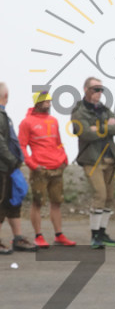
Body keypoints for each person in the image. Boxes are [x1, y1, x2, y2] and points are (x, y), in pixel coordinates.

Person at [18, 91, 76, 247]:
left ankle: (59, 235)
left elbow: (58, 142)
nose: (49, 104)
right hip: (40, 169)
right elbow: (21, 146)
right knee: (38, 202)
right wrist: (32, 165)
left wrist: (64, 158)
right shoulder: (26, 122)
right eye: (45, 101)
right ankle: (38, 236)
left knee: (56, 202)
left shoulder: (53, 120)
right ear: (37, 103)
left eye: (50, 101)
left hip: (57, 167)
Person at [70, 76, 115, 247]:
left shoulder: (104, 109)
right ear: (86, 90)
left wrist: (99, 127)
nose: (99, 92)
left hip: (110, 158)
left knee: (109, 198)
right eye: (96, 89)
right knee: (100, 194)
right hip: (92, 159)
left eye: (101, 90)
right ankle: (95, 235)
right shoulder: (79, 111)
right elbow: (86, 133)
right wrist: (107, 126)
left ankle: (102, 232)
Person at [0, 83, 33, 255]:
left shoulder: (4, 115)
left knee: (13, 202)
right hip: (3, 167)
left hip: (9, 168)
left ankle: (18, 238)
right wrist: (12, 160)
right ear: (6, 96)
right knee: (1, 203)